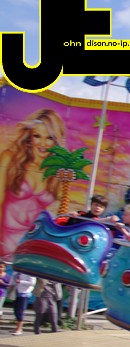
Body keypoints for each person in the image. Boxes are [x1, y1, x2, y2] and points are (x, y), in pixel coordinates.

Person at [0, 109, 66, 258]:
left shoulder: (55, 172)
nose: (43, 143)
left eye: (49, 138)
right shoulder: (10, 159)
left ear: (56, 141)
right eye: (37, 136)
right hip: (5, 245)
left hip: (32, 249)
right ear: (29, 137)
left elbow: (55, 214)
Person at [10, 271, 36, 335]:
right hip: (16, 292)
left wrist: (20, 282)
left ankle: (19, 329)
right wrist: (10, 285)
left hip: (24, 293)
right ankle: (18, 327)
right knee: (16, 310)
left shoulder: (29, 272)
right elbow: (13, 279)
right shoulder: (16, 271)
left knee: (20, 311)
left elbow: (32, 283)